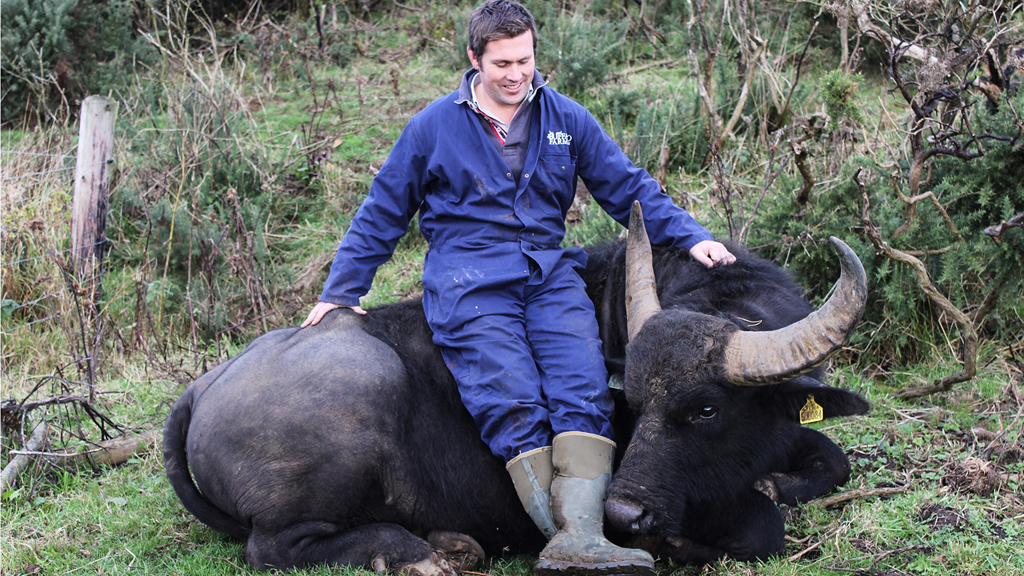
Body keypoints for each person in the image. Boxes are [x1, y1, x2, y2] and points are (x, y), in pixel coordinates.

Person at [301, 2, 735, 574]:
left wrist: (692, 236)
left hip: (549, 277)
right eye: (502, 62)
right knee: (511, 401)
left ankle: (584, 537)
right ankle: (567, 536)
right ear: (474, 59)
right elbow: (382, 211)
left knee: (583, 391)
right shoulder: (432, 127)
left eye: (524, 60)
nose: (515, 74)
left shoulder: (566, 118)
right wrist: (342, 290)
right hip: (469, 284)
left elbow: (627, 187)